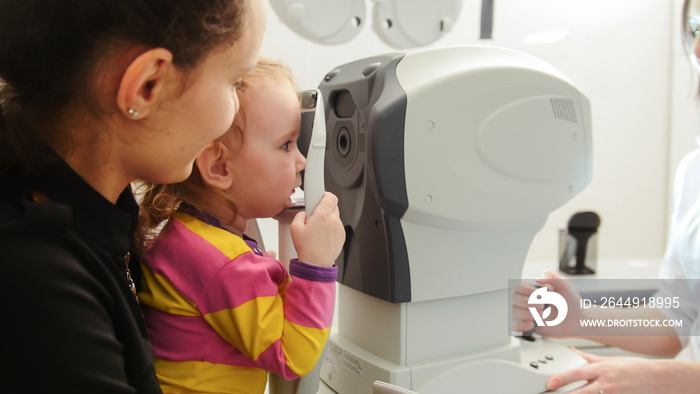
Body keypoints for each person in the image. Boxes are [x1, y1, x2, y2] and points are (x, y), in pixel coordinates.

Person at [0, 0, 266, 392]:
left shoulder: (95, 218)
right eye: (235, 83)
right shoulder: (39, 286)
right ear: (147, 86)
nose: (233, 111)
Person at [512, 4, 700, 393]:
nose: (696, 49)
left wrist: (668, 379)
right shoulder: (693, 171)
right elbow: (678, 316)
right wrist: (578, 318)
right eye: (696, 27)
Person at [135, 57, 345, 394]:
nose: (301, 161)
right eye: (286, 145)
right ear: (219, 167)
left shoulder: (190, 236)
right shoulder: (224, 264)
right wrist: (317, 264)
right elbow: (292, 358)